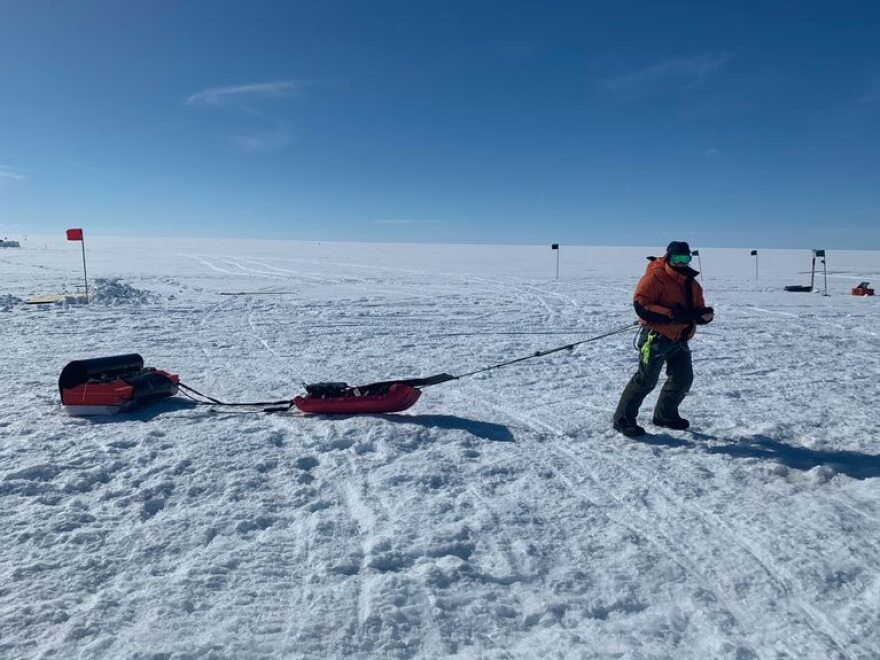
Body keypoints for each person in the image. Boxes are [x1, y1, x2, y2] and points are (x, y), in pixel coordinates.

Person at [613, 241, 714, 437]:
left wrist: (704, 315)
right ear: (668, 257)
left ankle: (665, 414)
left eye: (686, 259)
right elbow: (642, 305)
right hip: (656, 337)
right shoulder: (656, 277)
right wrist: (671, 314)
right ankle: (623, 419)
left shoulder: (691, 283)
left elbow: (697, 310)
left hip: (680, 338)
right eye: (678, 258)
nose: (682, 263)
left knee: (683, 379)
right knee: (646, 380)